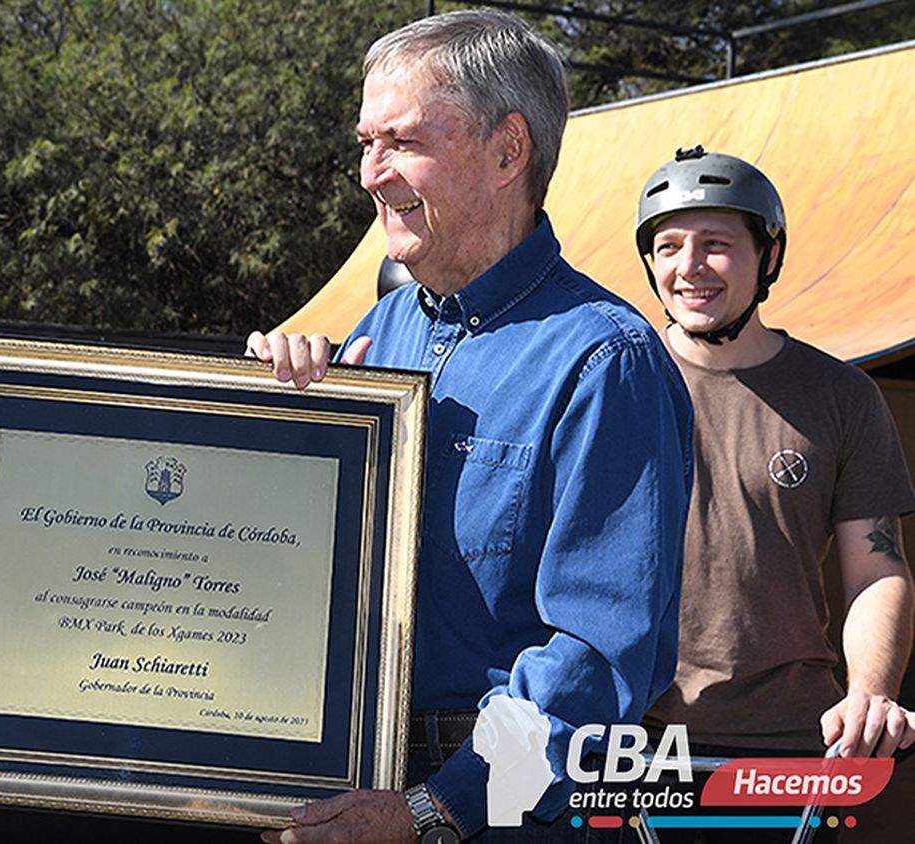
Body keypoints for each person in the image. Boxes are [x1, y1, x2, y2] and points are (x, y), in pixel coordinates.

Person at [247, 10, 694, 842]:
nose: (371, 174)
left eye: (403, 143)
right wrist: (276, 420)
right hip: (347, 797)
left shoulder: (605, 361)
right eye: (364, 142)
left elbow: (595, 665)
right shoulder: (375, 337)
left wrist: (438, 809)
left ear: (507, 151)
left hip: (505, 819)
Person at [633, 147, 915, 841]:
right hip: (626, 743)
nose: (689, 266)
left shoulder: (842, 396)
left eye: (716, 245)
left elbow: (877, 569)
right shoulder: (612, 383)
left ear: (770, 254)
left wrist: (871, 690)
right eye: (669, 246)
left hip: (792, 747)